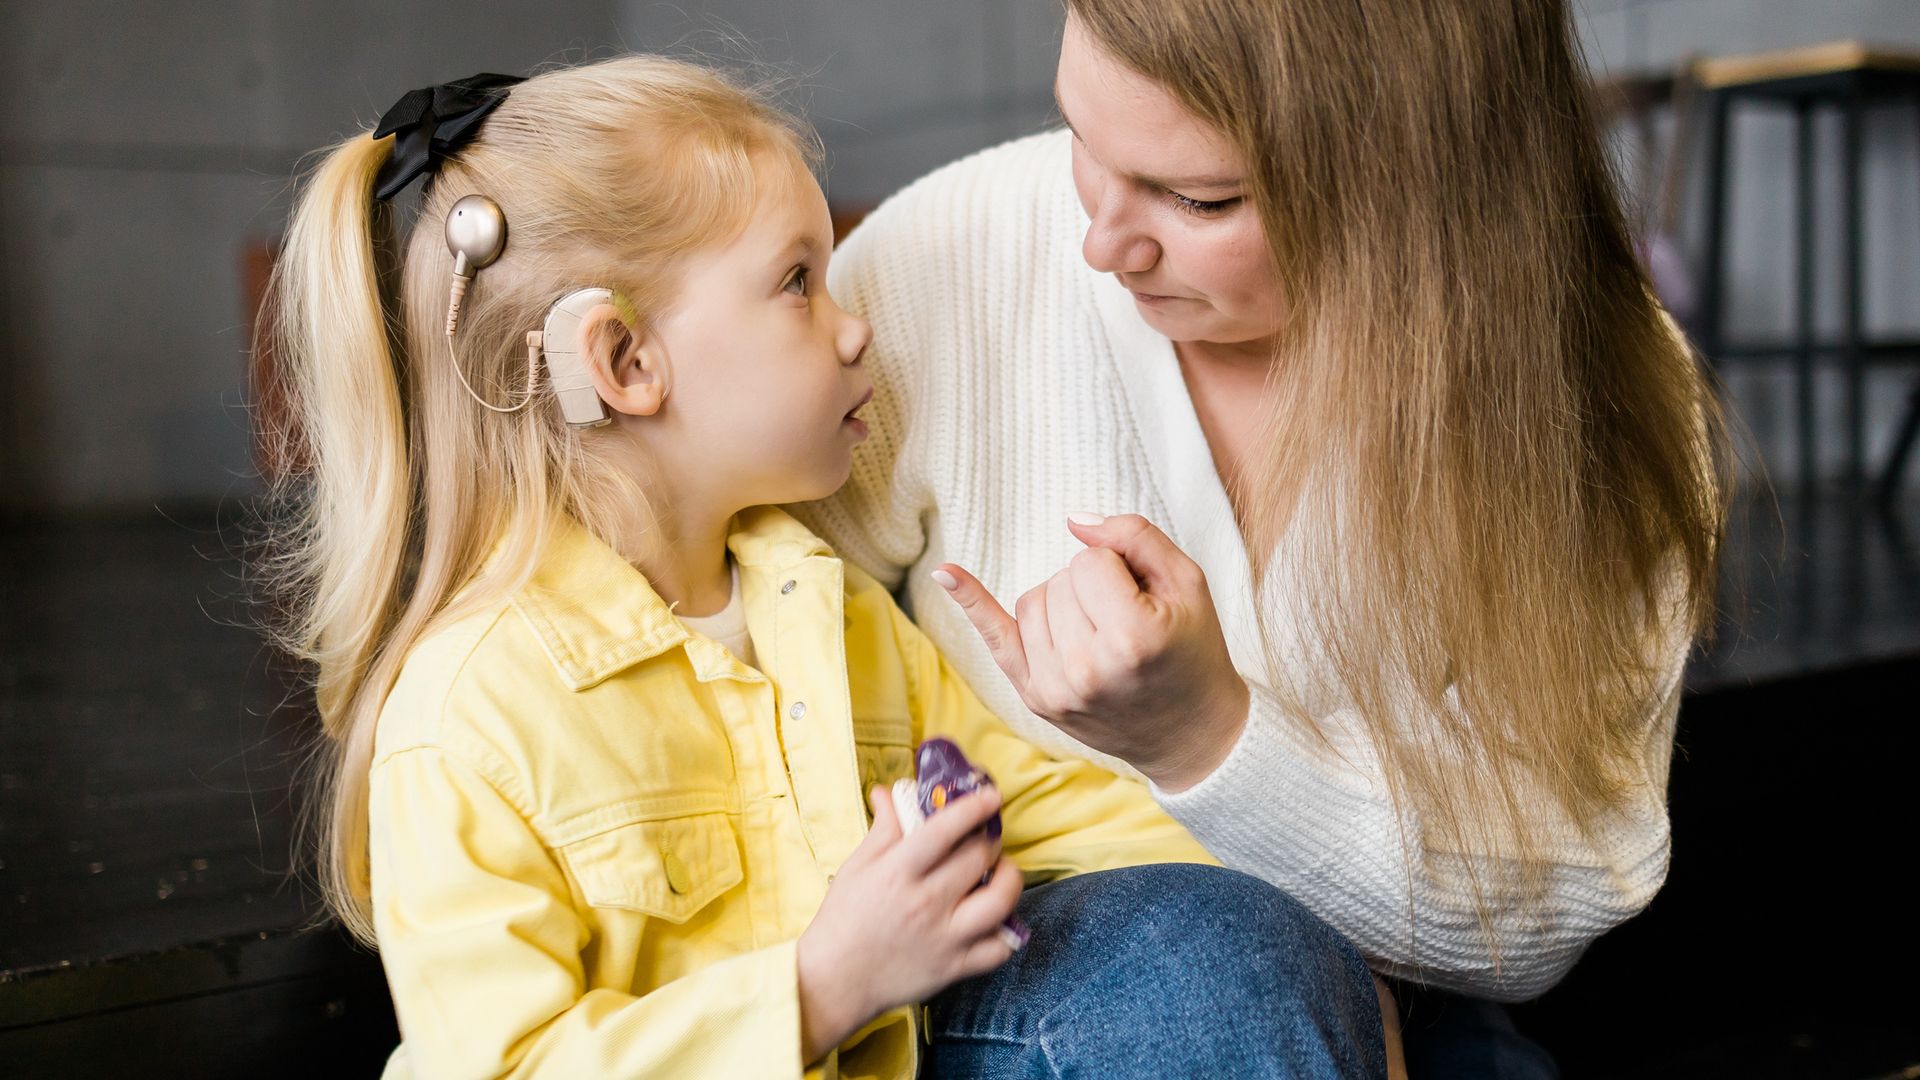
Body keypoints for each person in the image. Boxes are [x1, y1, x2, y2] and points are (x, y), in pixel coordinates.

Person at [258, 57, 1389, 1079]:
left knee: (1266, 962)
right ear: (625, 359)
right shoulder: (467, 716)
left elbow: (1053, 807)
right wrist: (819, 990)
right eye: (799, 280)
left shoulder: (827, 611)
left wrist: (1316, 935)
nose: (855, 330)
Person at [792, 0, 1729, 1074]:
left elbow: (1548, 903)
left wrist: (1203, 739)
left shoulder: (1597, 395)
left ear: (1417, 182)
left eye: (1199, 198)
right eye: (1081, 141)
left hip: (1418, 1001)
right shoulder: (939, 267)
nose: (1100, 240)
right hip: (967, 981)